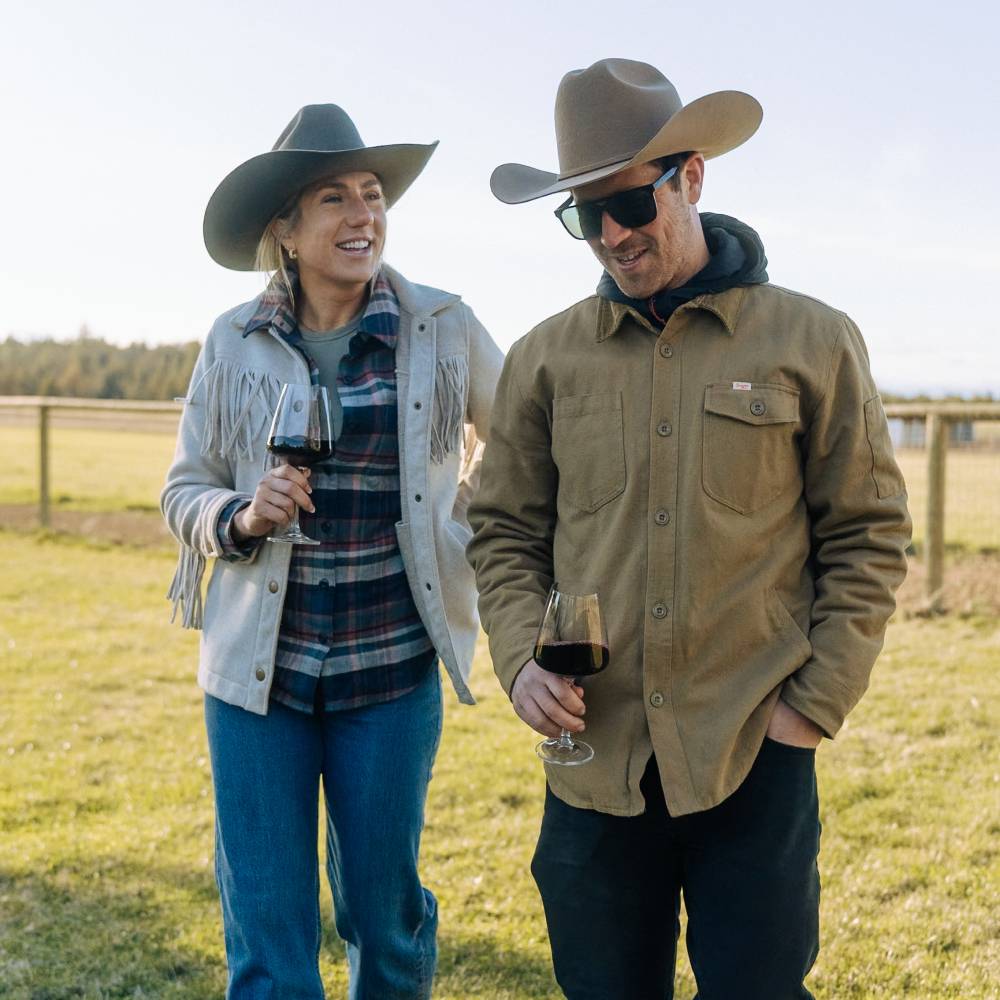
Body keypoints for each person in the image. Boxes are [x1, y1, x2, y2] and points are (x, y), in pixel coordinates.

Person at [467, 58, 911, 1000]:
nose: (614, 238)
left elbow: (868, 535)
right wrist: (519, 660)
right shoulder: (545, 360)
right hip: (592, 770)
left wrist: (811, 708)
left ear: (692, 176)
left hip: (756, 754)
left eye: (632, 204)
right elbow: (502, 530)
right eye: (588, 217)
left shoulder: (813, 340)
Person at [161, 103, 502, 999]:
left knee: (383, 922)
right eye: (333, 198)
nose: (364, 216)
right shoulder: (233, 341)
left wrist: (457, 522)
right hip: (253, 685)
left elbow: (525, 444)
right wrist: (242, 516)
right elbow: (183, 490)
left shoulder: (444, 325)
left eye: (373, 195)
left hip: (389, 675)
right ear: (285, 227)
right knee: (269, 940)